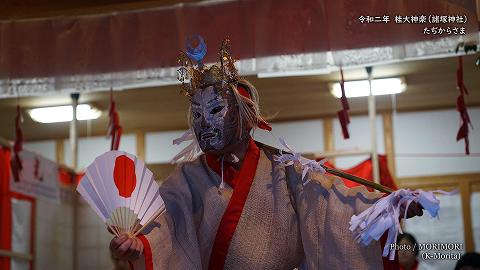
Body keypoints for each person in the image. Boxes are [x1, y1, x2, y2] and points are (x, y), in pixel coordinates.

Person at [109, 37, 423, 269]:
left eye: (216, 110)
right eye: (197, 114)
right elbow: (164, 226)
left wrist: (386, 206)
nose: (204, 123)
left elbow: (333, 206)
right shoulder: (185, 180)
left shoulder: (284, 171)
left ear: (247, 120)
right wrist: (139, 245)